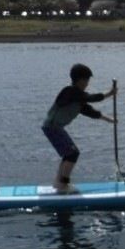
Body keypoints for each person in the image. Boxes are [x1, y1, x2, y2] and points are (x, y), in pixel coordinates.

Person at [42, 63, 117, 193]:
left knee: (70, 154)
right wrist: (110, 93)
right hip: (52, 127)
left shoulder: (78, 97)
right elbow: (91, 98)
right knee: (72, 153)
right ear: (80, 80)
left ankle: (58, 184)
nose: (87, 83)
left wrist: (109, 120)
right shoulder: (69, 91)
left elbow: (91, 112)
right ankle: (63, 185)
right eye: (86, 80)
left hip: (55, 128)